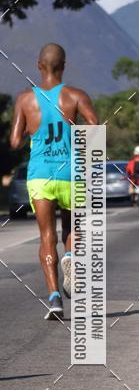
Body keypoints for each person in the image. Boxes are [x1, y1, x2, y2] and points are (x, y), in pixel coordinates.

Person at [9, 43, 98, 320]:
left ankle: (54, 299)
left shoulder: (25, 99)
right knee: (72, 228)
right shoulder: (76, 95)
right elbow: (95, 127)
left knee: (46, 236)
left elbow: (14, 142)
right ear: (64, 65)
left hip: (40, 176)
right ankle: (70, 257)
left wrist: (31, 130)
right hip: (71, 173)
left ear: (39, 65)